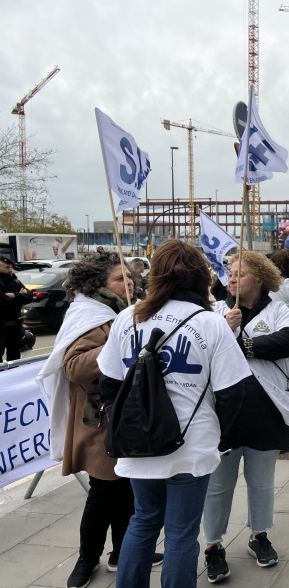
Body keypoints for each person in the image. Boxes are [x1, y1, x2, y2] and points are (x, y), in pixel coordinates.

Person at [96, 240, 253, 588]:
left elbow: (107, 384)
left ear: (155, 276)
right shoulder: (210, 323)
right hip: (191, 443)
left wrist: (123, 418)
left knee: (143, 520)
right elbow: (233, 392)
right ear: (199, 277)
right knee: (182, 534)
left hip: (138, 442)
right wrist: (218, 433)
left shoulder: (128, 318)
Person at [37, 252, 162, 588]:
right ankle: (86, 559)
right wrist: (120, 342)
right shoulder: (90, 316)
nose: (130, 283)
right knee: (103, 494)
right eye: (120, 278)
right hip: (99, 421)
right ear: (98, 284)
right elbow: (75, 367)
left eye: (131, 277)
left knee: (126, 489)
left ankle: (123, 551)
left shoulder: (120, 312)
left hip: (126, 416)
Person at [203, 251, 289, 582]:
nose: (232, 278)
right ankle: (213, 545)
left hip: (265, 414)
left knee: (261, 482)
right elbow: (203, 347)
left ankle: (258, 535)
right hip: (223, 416)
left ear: (259, 280)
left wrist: (245, 343)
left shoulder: (277, 310)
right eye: (230, 273)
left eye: (240, 274)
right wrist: (223, 328)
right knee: (219, 485)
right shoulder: (217, 311)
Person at [0, 255, 33, 362]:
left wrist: (15, 295)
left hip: (14, 325)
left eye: (11, 267)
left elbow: (29, 296)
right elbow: (3, 302)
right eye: (7, 267)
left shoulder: (15, 281)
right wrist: (20, 298)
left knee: (14, 355)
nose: (10, 270)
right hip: (1, 325)